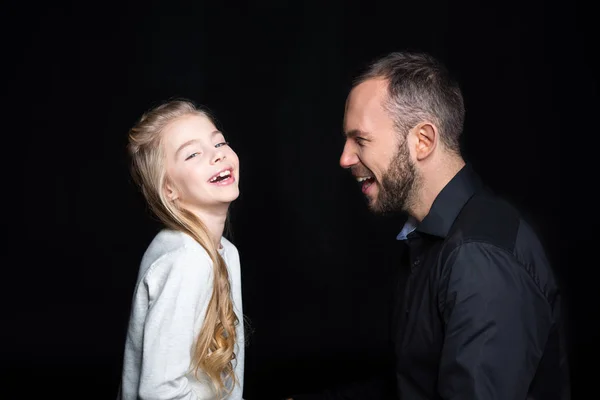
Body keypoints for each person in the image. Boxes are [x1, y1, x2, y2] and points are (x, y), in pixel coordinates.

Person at [289, 51, 570, 399]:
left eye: (360, 140)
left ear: (422, 141)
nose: (345, 159)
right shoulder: (429, 238)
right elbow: (413, 389)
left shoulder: (479, 259)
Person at [117, 99, 245, 400]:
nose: (217, 156)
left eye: (219, 143)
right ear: (169, 190)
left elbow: (231, 380)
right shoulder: (186, 260)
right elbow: (159, 391)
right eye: (193, 154)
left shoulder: (226, 252)